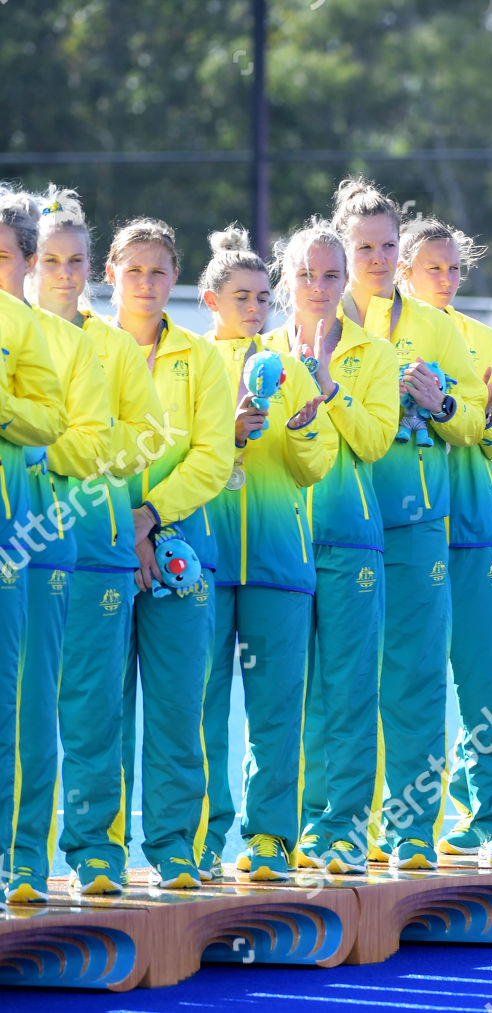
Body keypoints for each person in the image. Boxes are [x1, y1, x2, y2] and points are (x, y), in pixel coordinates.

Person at [332, 177, 488, 870]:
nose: (374, 258)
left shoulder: (433, 324)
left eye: (386, 246)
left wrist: (442, 399)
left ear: (400, 255)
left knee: (417, 677)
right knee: (341, 680)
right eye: (361, 246)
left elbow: (479, 418)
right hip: (337, 517)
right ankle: (336, 832)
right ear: (343, 247)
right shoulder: (324, 318)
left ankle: (411, 832)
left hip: (420, 519)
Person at [29, 187, 163, 895]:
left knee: (92, 710)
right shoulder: (13, 333)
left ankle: (96, 855)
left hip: (99, 549)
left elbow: (145, 436)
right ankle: (18, 858)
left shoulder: (112, 346)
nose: (64, 271)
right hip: (23, 546)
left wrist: (64, 442)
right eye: (51, 258)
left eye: (76, 259)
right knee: (20, 709)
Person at [200, 228, 336, 881]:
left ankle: (270, 837)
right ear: (211, 300)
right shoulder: (193, 364)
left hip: (280, 561)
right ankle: (196, 836)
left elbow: (316, 466)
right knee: (199, 700)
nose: (255, 307)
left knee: (277, 706)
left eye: (261, 298)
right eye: (241, 297)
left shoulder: (294, 367)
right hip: (206, 560)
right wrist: (226, 432)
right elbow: (178, 454)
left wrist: (305, 430)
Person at [267, 219, 398, 874]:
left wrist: (327, 385)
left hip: (350, 544)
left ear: (347, 282)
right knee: (279, 695)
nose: (317, 287)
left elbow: (375, 441)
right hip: (277, 544)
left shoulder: (375, 356)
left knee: (347, 691)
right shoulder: (262, 351)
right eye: (304, 274)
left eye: (330, 275)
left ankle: (340, 833)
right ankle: (274, 837)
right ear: (285, 279)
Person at [397, 215, 492, 863]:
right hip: (403, 534)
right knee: (407, 683)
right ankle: (400, 822)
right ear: (404, 272)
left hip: (475, 536)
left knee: (486, 680)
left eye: (453, 267)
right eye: (432, 268)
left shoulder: (483, 341)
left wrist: (461, 409)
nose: (446, 279)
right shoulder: (379, 336)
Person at [109, 217, 234, 889]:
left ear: (176, 278)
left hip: (180, 553)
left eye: (158, 271)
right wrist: (120, 531)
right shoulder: (88, 350)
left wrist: (149, 520)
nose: (147, 283)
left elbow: (214, 456)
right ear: (111, 276)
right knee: (100, 709)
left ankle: (173, 845)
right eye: (134, 270)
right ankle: (98, 849)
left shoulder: (201, 358)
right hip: (100, 550)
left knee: (179, 707)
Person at [0, 187, 104, 903]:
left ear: (26, 263)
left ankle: (20, 864)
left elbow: (61, 427)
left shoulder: (49, 335)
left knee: (25, 707)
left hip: (30, 542)